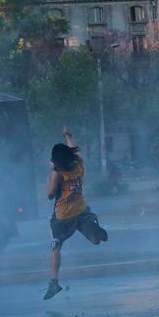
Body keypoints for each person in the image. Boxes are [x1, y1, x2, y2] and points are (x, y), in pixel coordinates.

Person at [44, 127, 109, 300]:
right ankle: (95, 233)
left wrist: (50, 177)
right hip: (80, 210)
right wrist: (67, 136)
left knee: (56, 246)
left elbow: (50, 195)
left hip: (63, 216)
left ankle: (53, 282)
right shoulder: (79, 165)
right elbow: (75, 149)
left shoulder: (58, 174)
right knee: (94, 240)